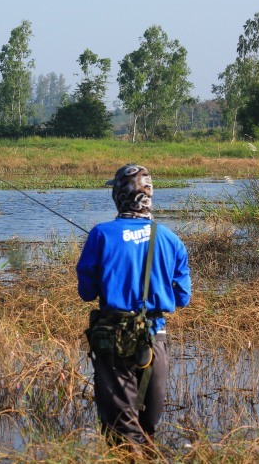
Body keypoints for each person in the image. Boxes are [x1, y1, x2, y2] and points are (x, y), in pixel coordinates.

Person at [76, 163, 192, 448]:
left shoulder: (101, 235)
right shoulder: (170, 239)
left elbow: (87, 292)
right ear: (149, 195)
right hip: (155, 339)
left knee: (121, 430)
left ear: (119, 195)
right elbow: (183, 297)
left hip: (113, 340)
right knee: (148, 426)